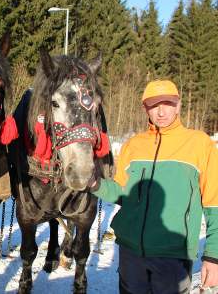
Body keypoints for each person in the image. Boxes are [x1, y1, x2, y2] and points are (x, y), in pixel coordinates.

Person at [90, 80, 218, 293]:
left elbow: (214, 204)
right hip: (130, 253)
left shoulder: (200, 144)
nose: (161, 112)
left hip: (173, 256)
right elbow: (123, 192)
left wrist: (213, 256)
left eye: (167, 103)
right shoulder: (133, 145)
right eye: (153, 105)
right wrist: (94, 183)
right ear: (145, 108)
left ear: (178, 105)